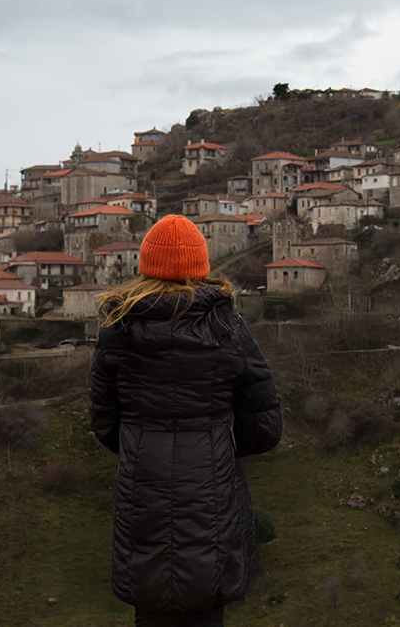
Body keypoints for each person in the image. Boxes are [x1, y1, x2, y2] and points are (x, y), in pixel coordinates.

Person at [90, 215, 282, 627]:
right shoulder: (227, 326)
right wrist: (220, 447)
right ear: (201, 265)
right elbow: (266, 424)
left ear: (147, 264)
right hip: (211, 498)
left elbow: (105, 423)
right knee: (207, 605)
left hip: (144, 497)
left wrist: (141, 450)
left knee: (151, 606)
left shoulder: (117, 328)